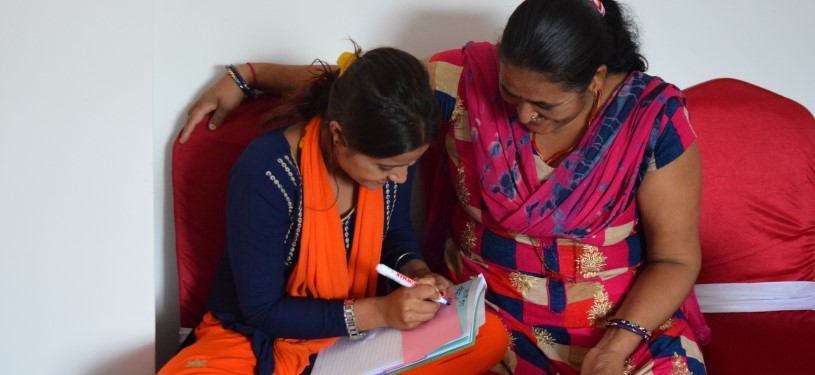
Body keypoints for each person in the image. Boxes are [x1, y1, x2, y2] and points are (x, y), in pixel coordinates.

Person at [178, 1, 710, 374]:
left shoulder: (652, 120)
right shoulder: (465, 87)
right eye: (509, 93)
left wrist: (616, 348)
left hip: (624, 332)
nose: (522, 115)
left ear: (594, 80)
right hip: (494, 322)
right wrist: (249, 75)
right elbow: (364, 94)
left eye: (545, 105)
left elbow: (676, 260)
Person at [160, 45, 507, 375]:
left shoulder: (398, 147)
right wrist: (381, 312)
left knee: (488, 336)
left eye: (409, 165)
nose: (400, 179)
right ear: (339, 135)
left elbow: (396, 234)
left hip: (358, 333)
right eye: (386, 167)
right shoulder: (266, 173)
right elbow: (262, 311)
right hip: (259, 336)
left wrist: (417, 271)